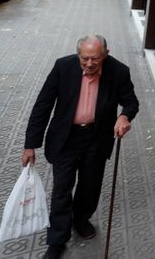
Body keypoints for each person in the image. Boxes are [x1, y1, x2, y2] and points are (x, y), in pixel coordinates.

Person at [22, 35, 139, 259]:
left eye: (95, 58)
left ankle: (81, 219)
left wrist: (124, 116)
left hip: (96, 137)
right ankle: (57, 239)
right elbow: (42, 106)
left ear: (106, 53)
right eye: (84, 58)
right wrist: (30, 145)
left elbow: (131, 101)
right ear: (78, 55)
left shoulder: (118, 71)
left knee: (90, 186)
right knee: (61, 190)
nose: (89, 63)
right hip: (66, 138)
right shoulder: (63, 67)